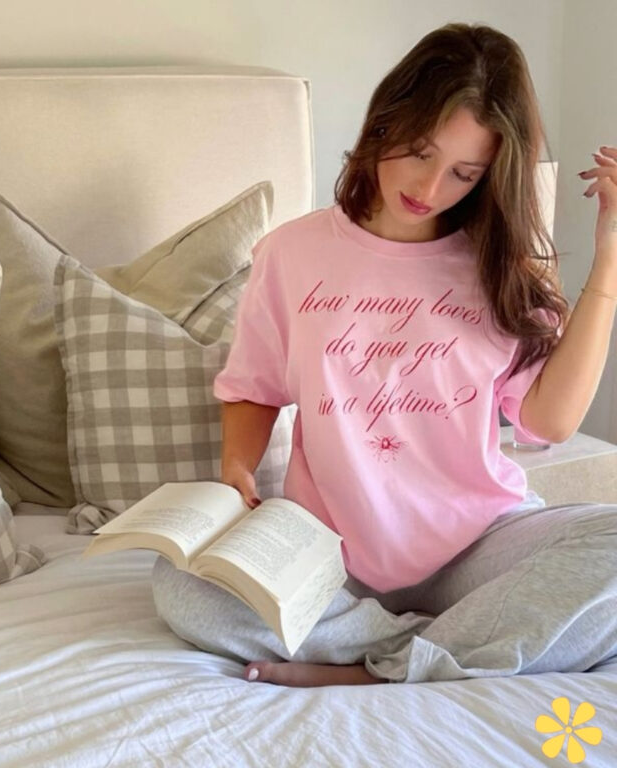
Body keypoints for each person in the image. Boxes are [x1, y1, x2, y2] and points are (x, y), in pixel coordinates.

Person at [151, 21, 617, 686]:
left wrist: (610, 259)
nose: (430, 188)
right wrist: (236, 468)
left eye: (463, 173)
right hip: (328, 556)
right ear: (386, 120)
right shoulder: (292, 253)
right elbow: (254, 385)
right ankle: (434, 648)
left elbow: (551, 422)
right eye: (420, 152)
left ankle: (378, 666)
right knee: (181, 583)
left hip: (478, 545)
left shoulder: (498, 267)